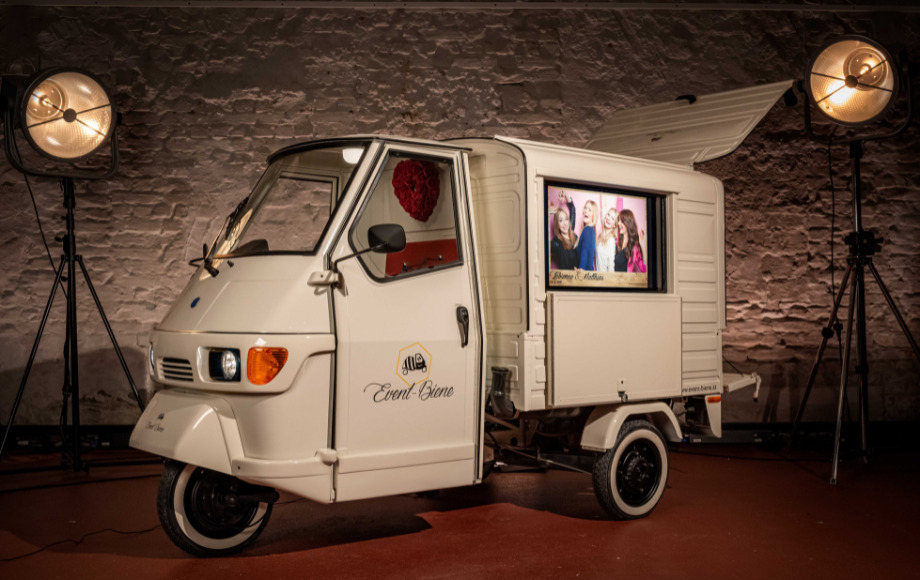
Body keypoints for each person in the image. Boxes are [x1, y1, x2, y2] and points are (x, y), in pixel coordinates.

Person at [550, 197, 578, 270]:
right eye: (561, 220)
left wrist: (565, 195)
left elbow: (573, 210)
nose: (565, 224)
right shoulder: (557, 243)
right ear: (557, 224)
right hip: (565, 280)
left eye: (566, 219)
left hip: (579, 278)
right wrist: (546, 212)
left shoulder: (573, 234)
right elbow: (542, 246)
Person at [614, 209, 647, 273]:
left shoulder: (634, 247)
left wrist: (642, 246)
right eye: (619, 220)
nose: (618, 223)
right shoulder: (616, 241)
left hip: (624, 281)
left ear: (628, 223)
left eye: (621, 221)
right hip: (611, 280)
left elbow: (644, 269)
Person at [575, 200, 598, 271]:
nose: (586, 211)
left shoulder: (588, 230)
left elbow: (585, 251)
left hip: (585, 275)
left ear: (593, 215)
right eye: (585, 208)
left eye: (590, 210)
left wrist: (581, 269)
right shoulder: (590, 230)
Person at [595, 207, 619, 272]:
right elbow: (603, 208)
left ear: (614, 225)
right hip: (599, 276)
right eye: (608, 214)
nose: (608, 218)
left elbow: (611, 264)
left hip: (605, 278)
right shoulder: (602, 235)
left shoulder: (611, 240)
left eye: (612, 218)